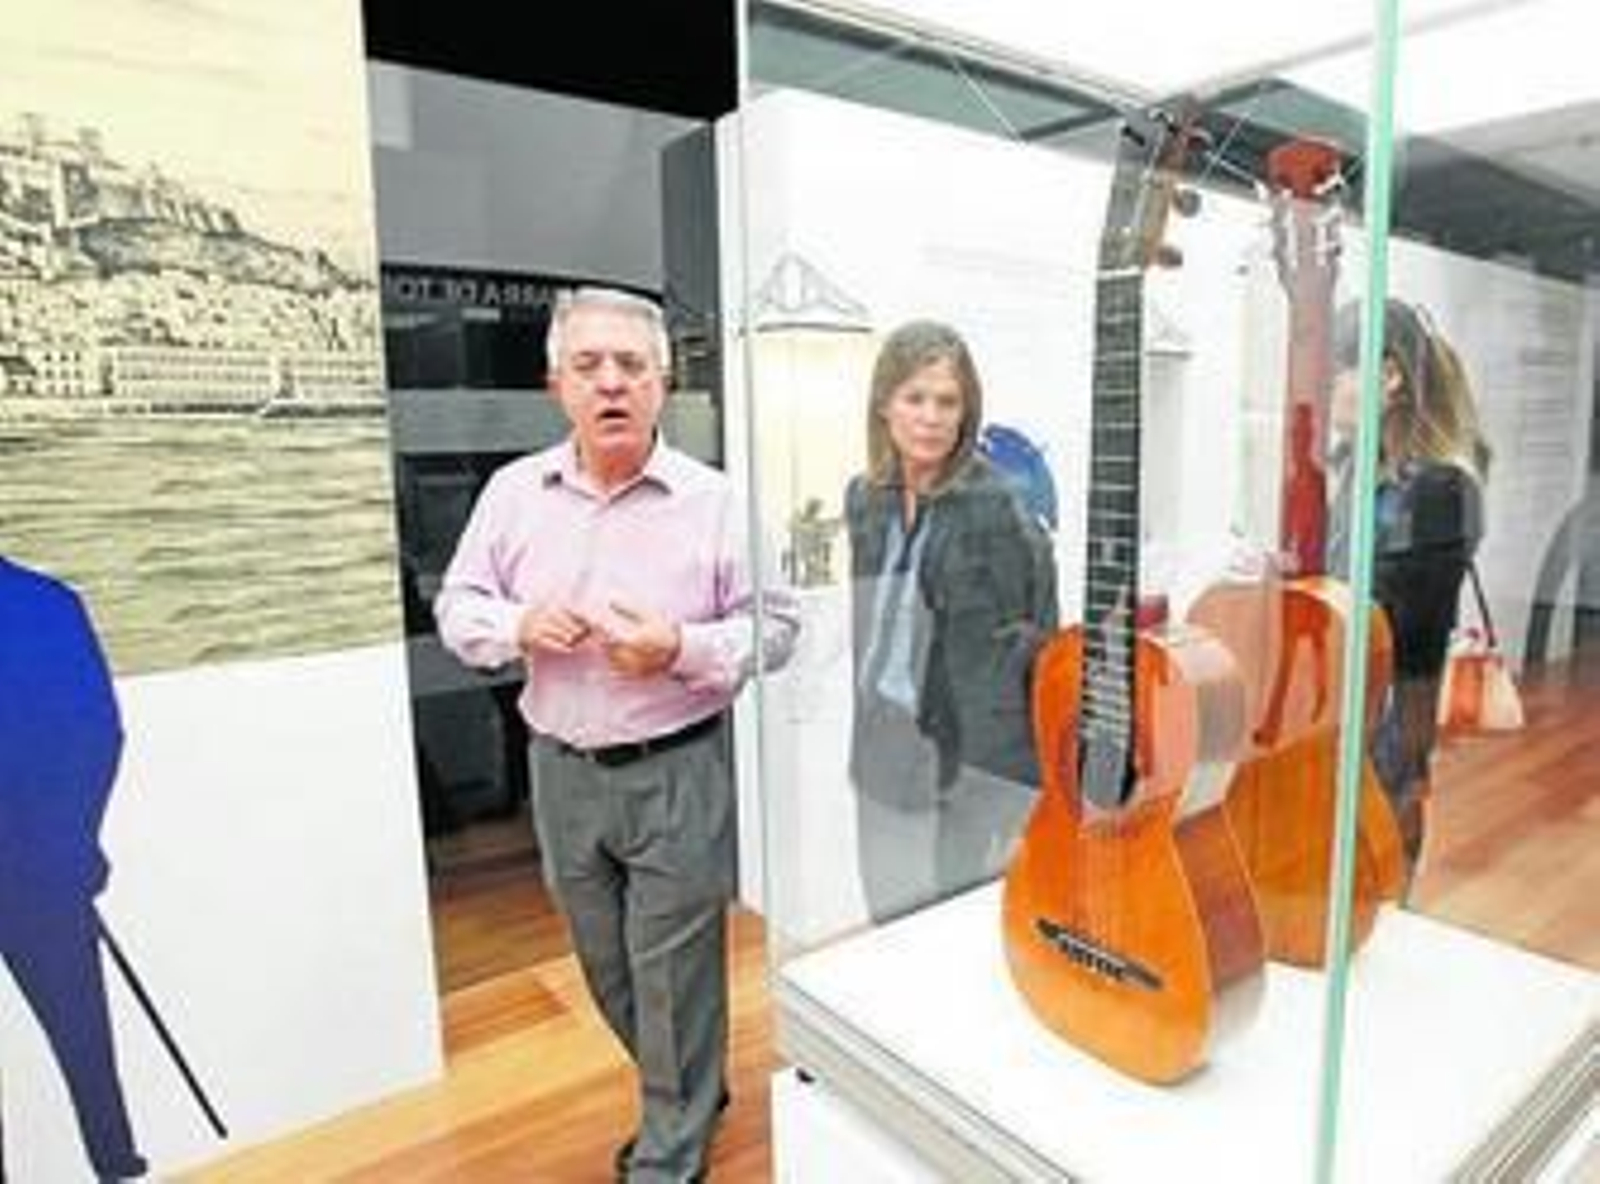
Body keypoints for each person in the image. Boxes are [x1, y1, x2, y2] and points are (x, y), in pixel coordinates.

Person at [434, 286, 798, 1183]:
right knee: (607, 965)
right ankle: (693, 1085)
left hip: (677, 770)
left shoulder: (715, 501)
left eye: (631, 365)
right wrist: (518, 625)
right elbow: (458, 606)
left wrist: (681, 647)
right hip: (560, 772)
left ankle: (669, 1153)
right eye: (588, 365)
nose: (611, 383)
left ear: (661, 383)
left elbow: (777, 627)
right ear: (556, 384)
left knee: (674, 969)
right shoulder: (513, 495)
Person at [845, 320, 1059, 924]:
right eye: (915, 398)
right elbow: (871, 625)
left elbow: (1027, 653)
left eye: (948, 402)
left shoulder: (998, 507)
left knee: (952, 928)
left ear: (967, 413)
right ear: (884, 405)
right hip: (883, 744)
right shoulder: (865, 497)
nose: (931, 418)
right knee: (887, 921)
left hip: (970, 763)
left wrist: (998, 798)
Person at [1328, 297, 1492, 881]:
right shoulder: (1362, 469)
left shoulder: (1436, 489)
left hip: (1389, 712)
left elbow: (1394, 623)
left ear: (1389, 377)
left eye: (1337, 373)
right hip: (1356, 705)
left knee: (1375, 853)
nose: (1328, 389)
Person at [0, 557, 147, 1182]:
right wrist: (72, 841)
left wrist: (71, 840)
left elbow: (95, 734)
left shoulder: (45, 604)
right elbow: (98, 733)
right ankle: (117, 1166)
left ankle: (116, 1165)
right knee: (85, 1038)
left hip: (41, 868)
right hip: (47, 865)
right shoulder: (47, 602)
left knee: (84, 1040)